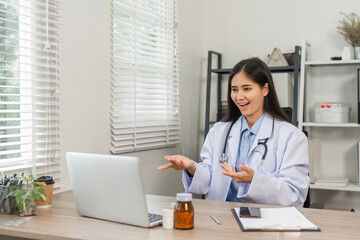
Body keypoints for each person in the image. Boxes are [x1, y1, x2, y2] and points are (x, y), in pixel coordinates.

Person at [158, 57, 309, 207]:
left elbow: (294, 193)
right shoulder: (219, 131)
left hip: (267, 222)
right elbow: (209, 179)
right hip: (222, 218)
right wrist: (192, 168)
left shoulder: (292, 137)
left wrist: (254, 180)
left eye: (247, 89)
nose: (239, 96)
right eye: (234, 89)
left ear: (265, 89)